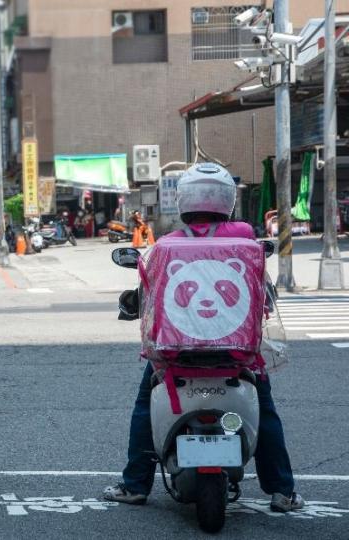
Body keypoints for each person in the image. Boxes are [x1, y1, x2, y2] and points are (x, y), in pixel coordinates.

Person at [103, 163, 305, 512]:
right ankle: (283, 491)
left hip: (174, 354)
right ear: (228, 200)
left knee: (143, 406)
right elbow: (263, 297)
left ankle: (135, 485)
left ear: (183, 200)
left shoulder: (168, 246)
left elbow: (151, 297)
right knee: (265, 410)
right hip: (239, 353)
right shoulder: (246, 241)